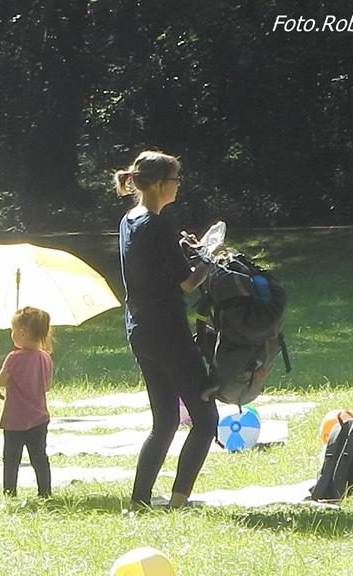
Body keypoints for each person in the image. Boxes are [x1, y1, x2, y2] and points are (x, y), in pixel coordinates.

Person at [115, 150, 218, 509]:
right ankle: (178, 500)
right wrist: (209, 258)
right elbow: (188, 282)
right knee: (206, 419)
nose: (178, 185)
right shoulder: (158, 225)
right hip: (168, 333)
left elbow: (157, 265)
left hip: (140, 330)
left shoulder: (129, 220)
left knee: (165, 422)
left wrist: (184, 249)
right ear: (160, 184)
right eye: (175, 179)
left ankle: (139, 500)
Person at [0, 306, 53, 498]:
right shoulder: (45, 357)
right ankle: (44, 492)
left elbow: (1, 381)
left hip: (15, 419)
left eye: (13, 330)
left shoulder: (13, 358)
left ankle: (9, 492)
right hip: (39, 418)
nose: (11, 334)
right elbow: (47, 386)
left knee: (11, 459)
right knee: (39, 458)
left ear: (22, 333)